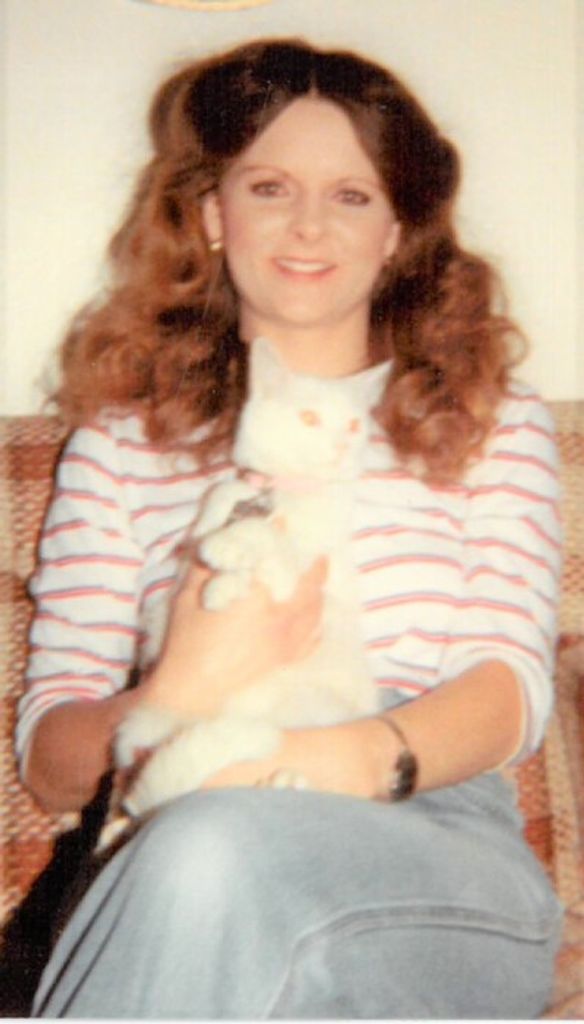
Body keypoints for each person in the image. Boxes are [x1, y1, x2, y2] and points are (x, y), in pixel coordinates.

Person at [17, 38, 562, 1019]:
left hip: (433, 841)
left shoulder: (490, 419)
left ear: (396, 229)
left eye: (351, 194)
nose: (308, 224)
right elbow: (52, 763)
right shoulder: (118, 446)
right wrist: (180, 689)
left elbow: (507, 690)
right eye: (269, 187)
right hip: (188, 820)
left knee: (210, 847)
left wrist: (309, 764)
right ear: (211, 213)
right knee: (212, 868)